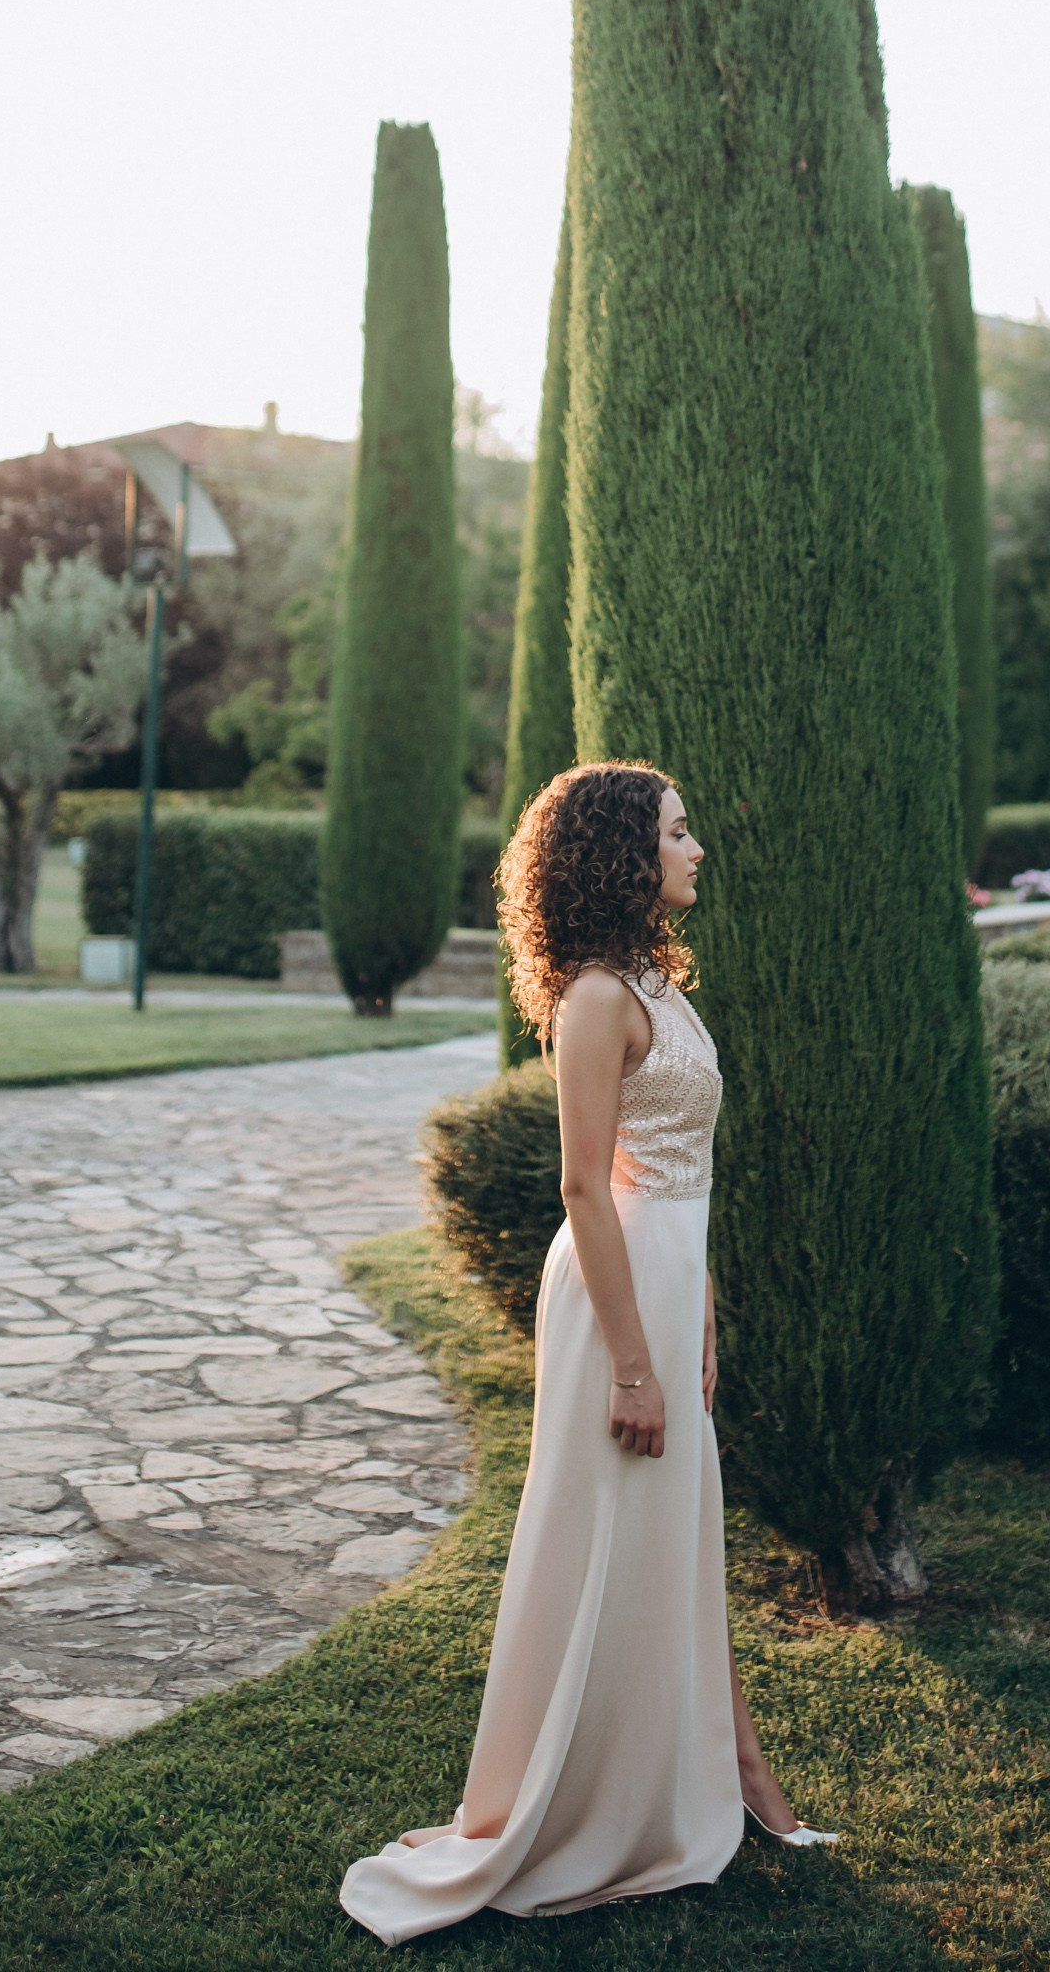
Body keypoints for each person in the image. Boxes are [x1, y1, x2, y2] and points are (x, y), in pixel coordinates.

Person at [339, 760, 835, 1945]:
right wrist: (630, 1365)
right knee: (611, 1537)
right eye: (676, 831)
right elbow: (582, 1184)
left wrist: (696, 1302)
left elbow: (678, 1171)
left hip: (665, 1278)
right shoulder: (595, 1000)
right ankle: (594, 1802)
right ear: (623, 856)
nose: (695, 848)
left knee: (675, 1541)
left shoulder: (657, 982)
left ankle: (734, 1776)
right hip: (613, 1300)